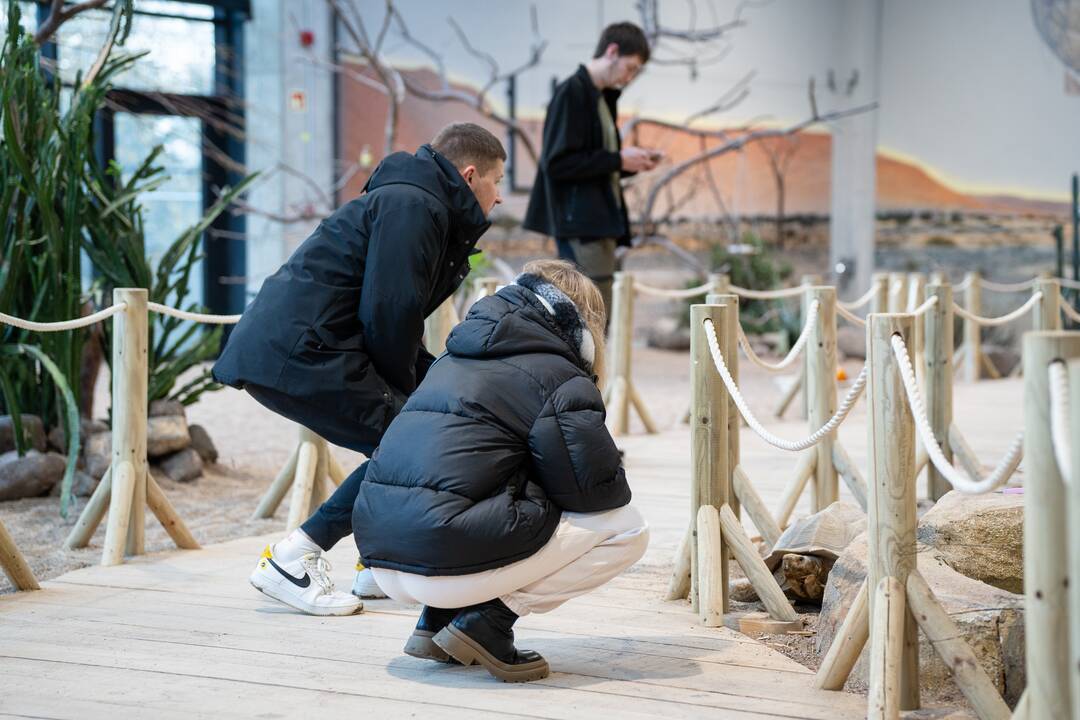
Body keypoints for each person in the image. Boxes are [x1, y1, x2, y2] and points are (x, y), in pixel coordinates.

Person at [213, 123, 506, 616]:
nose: (498, 200)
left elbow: (394, 318)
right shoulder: (416, 205)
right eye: (498, 182)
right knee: (414, 444)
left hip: (309, 346)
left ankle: (377, 566)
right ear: (471, 175)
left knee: (413, 437)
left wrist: (431, 383)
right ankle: (293, 557)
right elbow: (388, 311)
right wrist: (418, 397)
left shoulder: (417, 200)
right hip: (301, 351)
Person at [352, 260, 650, 682]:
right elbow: (598, 495)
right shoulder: (560, 376)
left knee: (483, 484)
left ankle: (436, 621)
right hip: (438, 560)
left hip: (379, 560)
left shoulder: (453, 357)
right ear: (585, 321)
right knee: (627, 530)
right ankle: (488, 622)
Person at [523, 22, 660, 318]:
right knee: (588, 320)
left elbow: (595, 163)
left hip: (599, 224)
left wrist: (630, 163)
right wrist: (617, 160)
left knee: (599, 317)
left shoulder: (603, 98)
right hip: (581, 227)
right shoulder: (572, 92)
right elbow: (557, 164)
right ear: (612, 52)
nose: (630, 77)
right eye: (630, 67)